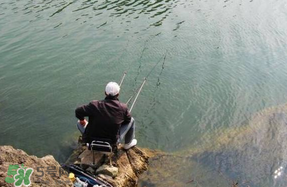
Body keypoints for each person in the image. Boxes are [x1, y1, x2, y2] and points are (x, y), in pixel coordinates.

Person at [75, 82, 137, 150]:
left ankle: (87, 142)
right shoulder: (123, 107)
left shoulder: (94, 105)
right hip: (112, 142)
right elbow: (127, 120)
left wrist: (82, 120)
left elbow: (78, 111)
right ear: (118, 94)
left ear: (105, 93)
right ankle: (128, 144)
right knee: (132, 120)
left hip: (91, 140)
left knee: (79, 122)